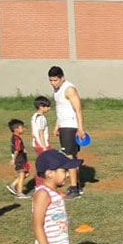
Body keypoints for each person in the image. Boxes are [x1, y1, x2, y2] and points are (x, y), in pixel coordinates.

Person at [48, 66, 86, 199]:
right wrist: (57, 125)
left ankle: (74, 188)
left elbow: (78, 109)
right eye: (51, 80)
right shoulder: (57, 90)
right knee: (72, 157)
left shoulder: (69, 89)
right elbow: (61, 109)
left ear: (62, 78)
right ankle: (78, 185)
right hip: (63, 126)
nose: (53, 83)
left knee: (69, 157)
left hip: (70, 126)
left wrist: (80, 128)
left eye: (55, 80)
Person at [31, 96, 52, 187]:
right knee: (46, 165)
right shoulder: (41, 118)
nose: (49, 108)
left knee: (42, 164)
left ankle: (40, 184)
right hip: (42, 145)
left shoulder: (34, 116)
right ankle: (41, 184)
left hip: (36, 144)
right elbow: (41, 132)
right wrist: (44, 147)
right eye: (47, 106)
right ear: (41, 107)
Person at [6, 119, 30, 198]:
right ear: (16, 129)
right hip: (20, 159)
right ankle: (20, 193)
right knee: (22, 174)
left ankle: (12, 185)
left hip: (23, 158)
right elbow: (16, 150)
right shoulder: (16, 138)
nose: (23, 129)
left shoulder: (16, 137)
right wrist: (14, 159)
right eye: (21, 127)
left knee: (26, 174)